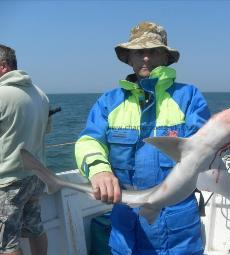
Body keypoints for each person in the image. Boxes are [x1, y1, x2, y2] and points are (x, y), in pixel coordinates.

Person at [75, 21, 211, 255]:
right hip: (126, 230)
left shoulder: (189, 97)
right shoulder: (109, 102)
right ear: (129, 58)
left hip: (179, 235)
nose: (145, 58)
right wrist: (99, 170)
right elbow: (89, 140)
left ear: (166, 57)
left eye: (153, 51)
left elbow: (204, 146)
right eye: (139, 52)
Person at [0, 44, 50, 255]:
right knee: (35, 229)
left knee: (6, 243)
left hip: (8, 181)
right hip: (34, 178)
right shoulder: (39, 94)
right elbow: (45, 130)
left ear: (3, 66)